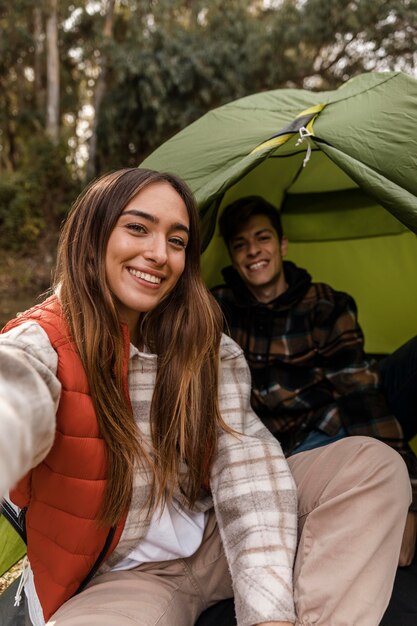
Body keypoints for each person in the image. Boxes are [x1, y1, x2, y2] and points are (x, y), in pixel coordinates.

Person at [0, 170, 410, 626]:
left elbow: (245, 464)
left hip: (214, 533)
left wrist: (269, 613)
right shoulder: (44, 344)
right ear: (91, 235)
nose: (159, 254)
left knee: (371, 466)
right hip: (125, 579)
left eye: (177, 241)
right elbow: (16, 390)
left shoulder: (205, 342)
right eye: (137, 228)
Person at [211, 194, 417, 568]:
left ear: (282, 244)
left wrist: (409, 499)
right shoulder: (217, 310)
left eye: (262, 238)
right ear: (232, 256)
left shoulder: (324, 304)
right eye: (240, 245)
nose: (253, 251)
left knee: (387, 380)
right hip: (281, 451)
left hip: (333, 425)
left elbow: (360, 393)